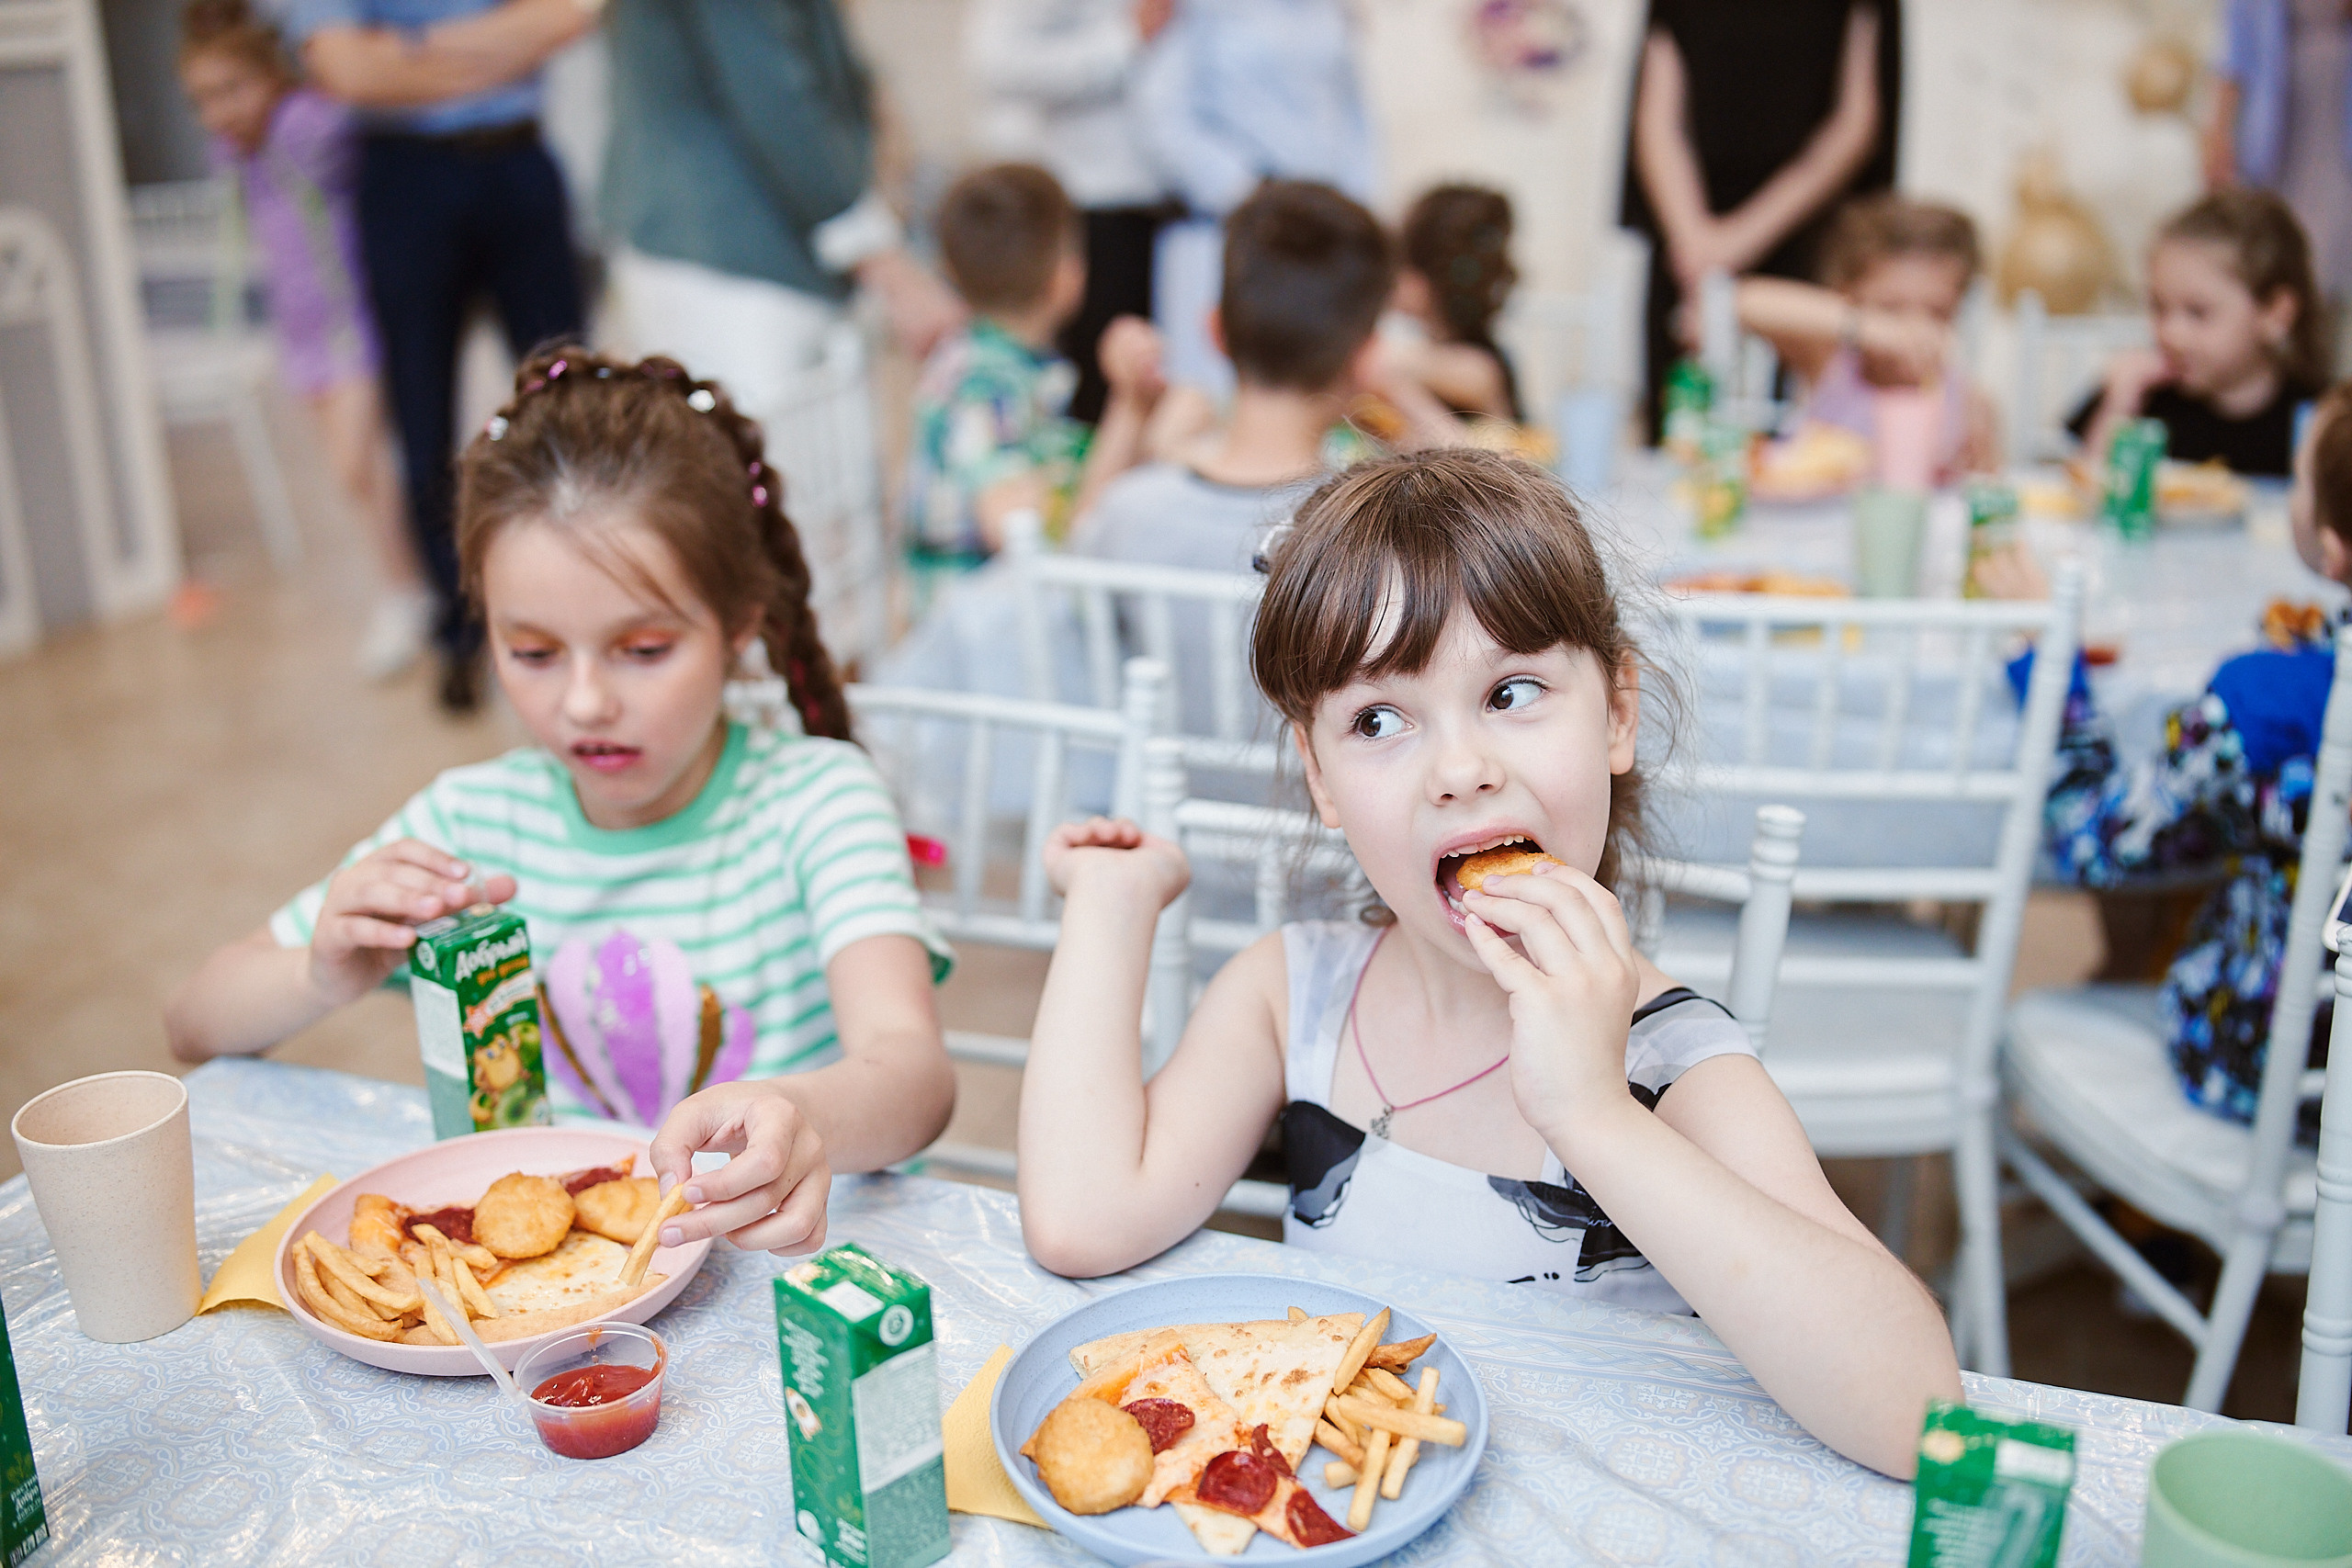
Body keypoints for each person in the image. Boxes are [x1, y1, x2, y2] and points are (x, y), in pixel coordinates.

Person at [1019, 449, 1962, 1478]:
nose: (1461, 769)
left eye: (1512, 692)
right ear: (1319, 777)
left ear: (1616, 714)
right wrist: (1110, 909)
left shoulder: (1673, 1060)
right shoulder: (1291, 995)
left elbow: (1917, 1418)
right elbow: (1079, 1219)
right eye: (1379, 721)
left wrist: (1594, 1114)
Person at [164, 350, 957, 1255]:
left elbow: (915, 1077)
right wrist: (319, 972)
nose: (584, 703)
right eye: (535, 654)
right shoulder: (474, 822)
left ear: (739, 627)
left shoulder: (817, 802)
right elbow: (194, 1021)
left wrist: (799, 1108)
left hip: (796, 1271)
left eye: (644, 648)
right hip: (578, 1286)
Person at [1982, 380, 2352, 1134]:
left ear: (2335, 549)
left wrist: (2046, 658)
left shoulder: (2272, 699)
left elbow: (2098, 836)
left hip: (2271, 1076)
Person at [288, 0, 595, 715]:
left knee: (575, 408)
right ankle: (460, 633)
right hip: (405, 180)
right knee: (423, 423)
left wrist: (412, 50)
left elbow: (571, 16)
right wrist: (497, 46)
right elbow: (347, 69)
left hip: (521, 161)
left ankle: (586, 594)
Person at [176, 0, 427, 679]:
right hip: (302, 335)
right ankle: (404, 585)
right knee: (359, 479)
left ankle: (411, 589)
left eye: (233, 90)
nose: (220, 111)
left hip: (350, 326)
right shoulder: (239, 153)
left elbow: (353, 115)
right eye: (204, 98)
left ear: (272, 78)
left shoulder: (304, 126)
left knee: (358, 464)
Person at [601, 0, 965, 428]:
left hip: (767, 244)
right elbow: (775, 96)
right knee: (758, 460)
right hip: (725, 252)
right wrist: (889, 266)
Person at [1622, 0, 1901, 438]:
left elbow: (1855, 124)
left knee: (1804, 435)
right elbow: (1658, 121)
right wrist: (1696, 244)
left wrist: (1733, 244)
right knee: (1681, 430)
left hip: (1804, 235)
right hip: (1688, 237)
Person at [903, 164, 1165, 574]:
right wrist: (1128, 408)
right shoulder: (984, 385)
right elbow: (1031, 542)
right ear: (1067, 275)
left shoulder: (979, 360)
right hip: (984, 625)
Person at [1130, 0, 1379, 395]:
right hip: (1222, 227)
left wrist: (1357, 216)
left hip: (1320, 234)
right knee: (1214, 396)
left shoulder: (1327, 10)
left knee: (1320, 387)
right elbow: (1164, 118)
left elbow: (1355, 125)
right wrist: (1252, 192)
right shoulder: (1194, 10)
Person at [966, 0, 1179, 424]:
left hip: (1164, 208)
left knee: (1141, 382)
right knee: (1089, 402)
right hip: (1091, 203)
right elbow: (993, 61)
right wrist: (1125, 40)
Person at [1734, 195, 1999, 479]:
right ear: (1847, 297)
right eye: (1890, 309)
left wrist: (1972, 462)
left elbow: (1985, 487)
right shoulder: (1829, 361)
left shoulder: (1967, 400)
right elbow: (1745, 302)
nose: (1914, 326)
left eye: (1937, 312)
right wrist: (1870, 329)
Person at [2071, 189, 2325, 479]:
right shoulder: (2144, 396)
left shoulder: (2317, 419)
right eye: (2159, 307)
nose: (2171, 333)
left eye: (2198, 312)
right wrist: (2119, 403)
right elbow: (2088, 491)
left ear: (2275, 314)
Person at [2206, 0, 2352, 369]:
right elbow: (2233, 55)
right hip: (2276, 129)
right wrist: (2219, 132)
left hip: (2339, 126)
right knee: (2274, 257)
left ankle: (2318, 379)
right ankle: (2284, 380)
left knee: (2328, 266)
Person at [1391, 184, 1524, 423]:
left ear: (1421, 283)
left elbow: (1383, 362)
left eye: (1400, 263)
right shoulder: (1478, 361)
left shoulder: (1476, 369)